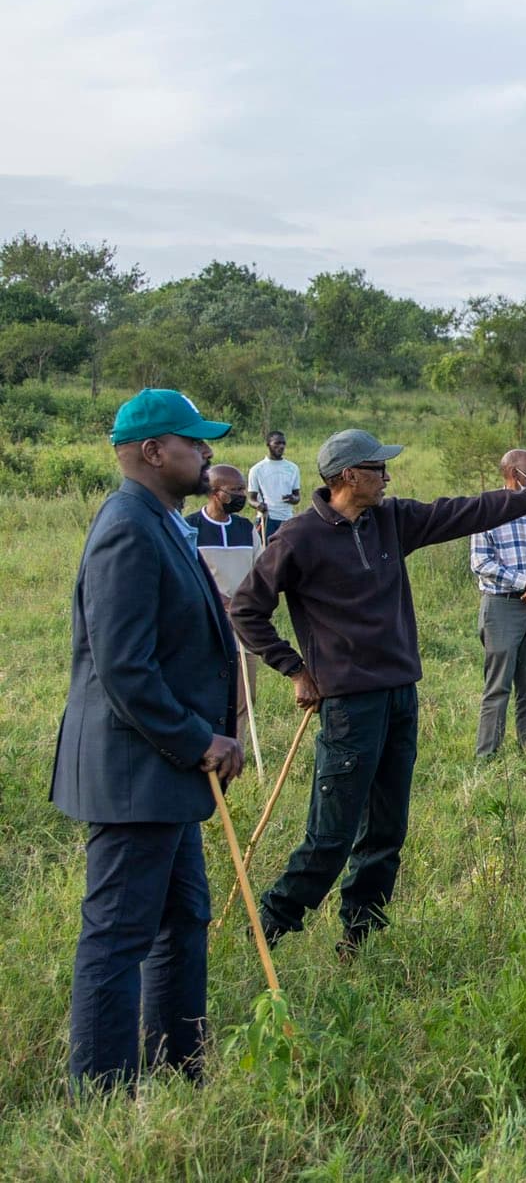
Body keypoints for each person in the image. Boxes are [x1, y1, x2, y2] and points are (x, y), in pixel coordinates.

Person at [230, 429, 526, 956]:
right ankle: (265, 932)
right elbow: (246, 610)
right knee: (331, 838)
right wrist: (295, 670)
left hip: (400, 694)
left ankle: (360, 936)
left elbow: (467, 511)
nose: (388, 477)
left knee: (386, 829)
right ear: (349, 476)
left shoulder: (391, 520)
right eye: (379, 469)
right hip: (348, 706)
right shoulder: (298, 539)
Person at [51, 389, 245, 1094]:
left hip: (165, 773)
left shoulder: (164, 521)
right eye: (194, 442)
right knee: (118, 937)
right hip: (138, 771)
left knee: (183, 919)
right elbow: (123, 667)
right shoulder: (127, 526)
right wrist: (201, 741)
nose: (207, 453)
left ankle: (180, 1069)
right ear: (152, 451)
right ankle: (102, 1096)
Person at [469, 449, 526, 758]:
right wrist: (525, 582)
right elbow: (481, 562)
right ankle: (487, 754)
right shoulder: (490, 508)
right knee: (498, 686)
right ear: (512, 474)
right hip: (502, 606)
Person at [183, 464, 263, 747]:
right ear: (216, 493)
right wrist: (219, 603)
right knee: (208, 693)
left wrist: (246, 606)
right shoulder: (189, 527)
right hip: (206, 627)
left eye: (243, 489)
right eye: (237, 490)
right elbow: (185, 577)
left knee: (244, 698)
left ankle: (236, 751)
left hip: (243, 625)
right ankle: (205, 748)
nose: (243, 495)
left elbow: (260, 573)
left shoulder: (246, 529)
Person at [247, 431, 300, 541]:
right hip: (266, 519)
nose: (281, 446)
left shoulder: (293, 468)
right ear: (268, 444)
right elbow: (251, 499)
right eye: (277, 443)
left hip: (287, 520)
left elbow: (297, 497)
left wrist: (292, 498)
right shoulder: (257, 469)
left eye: (283, 443)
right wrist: (258, 505)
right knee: (265, 554)